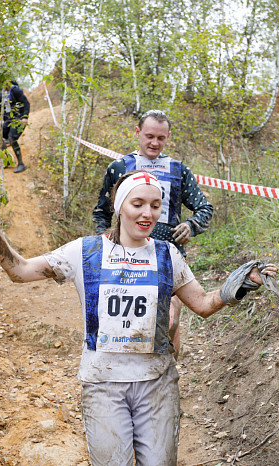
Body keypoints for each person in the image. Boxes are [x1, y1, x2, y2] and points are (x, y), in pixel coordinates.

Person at [0, 170, 278, 465]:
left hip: (156, 382)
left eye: (155, 206)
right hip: (102, 383)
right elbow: (20, 272)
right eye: (137, 204)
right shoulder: (84, 251)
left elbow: (204, 303)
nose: (148, 213)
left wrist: (239, 285)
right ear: (119, 206)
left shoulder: (168, 254)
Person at [93, 109, 213, 357]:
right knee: (127, 325)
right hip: (124, 258)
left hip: (167, 258)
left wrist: (191, 225)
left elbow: (205, 208)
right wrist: (103, 241)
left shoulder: (179, 170)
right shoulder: (119, 167)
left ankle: (167, 374)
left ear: (168, 136)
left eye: (161, 138)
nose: (154, 143)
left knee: (169, 323)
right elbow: (101, 212)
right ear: (138, 133)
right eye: (149, 136)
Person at [0, 79, 30, 173]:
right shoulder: (3, 93)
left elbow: (26, 103)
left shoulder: (15, 90)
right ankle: (8, 160)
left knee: (11, 138)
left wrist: (25, 117)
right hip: (10, 119)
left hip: (19, 118)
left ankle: (21, 164)